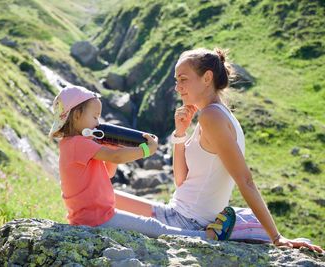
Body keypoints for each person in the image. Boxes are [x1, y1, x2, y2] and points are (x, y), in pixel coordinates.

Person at [113, 48, 324, 253]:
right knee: (102, 196)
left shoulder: (212, 117)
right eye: (176, 80)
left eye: (183, 79)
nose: (178, 87)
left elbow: (246, 180)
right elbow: (181, 181)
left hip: (187, 221)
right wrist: (180, 133)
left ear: (207, 78)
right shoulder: (215, 115)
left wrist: (277, 238)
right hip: (176, 211)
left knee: (94, 207)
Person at [49, 85, 236, 240]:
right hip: (96, 218)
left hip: (94, 215)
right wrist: (146, 150)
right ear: (76, 116)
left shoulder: (74, 144)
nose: (99, 123)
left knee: (151, 225)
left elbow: (108, 173)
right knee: (152, 226)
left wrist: (113, 147)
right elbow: (117, 158)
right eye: (95, 117)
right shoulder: (78, 143)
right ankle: (206, 237)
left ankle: (199, 235)